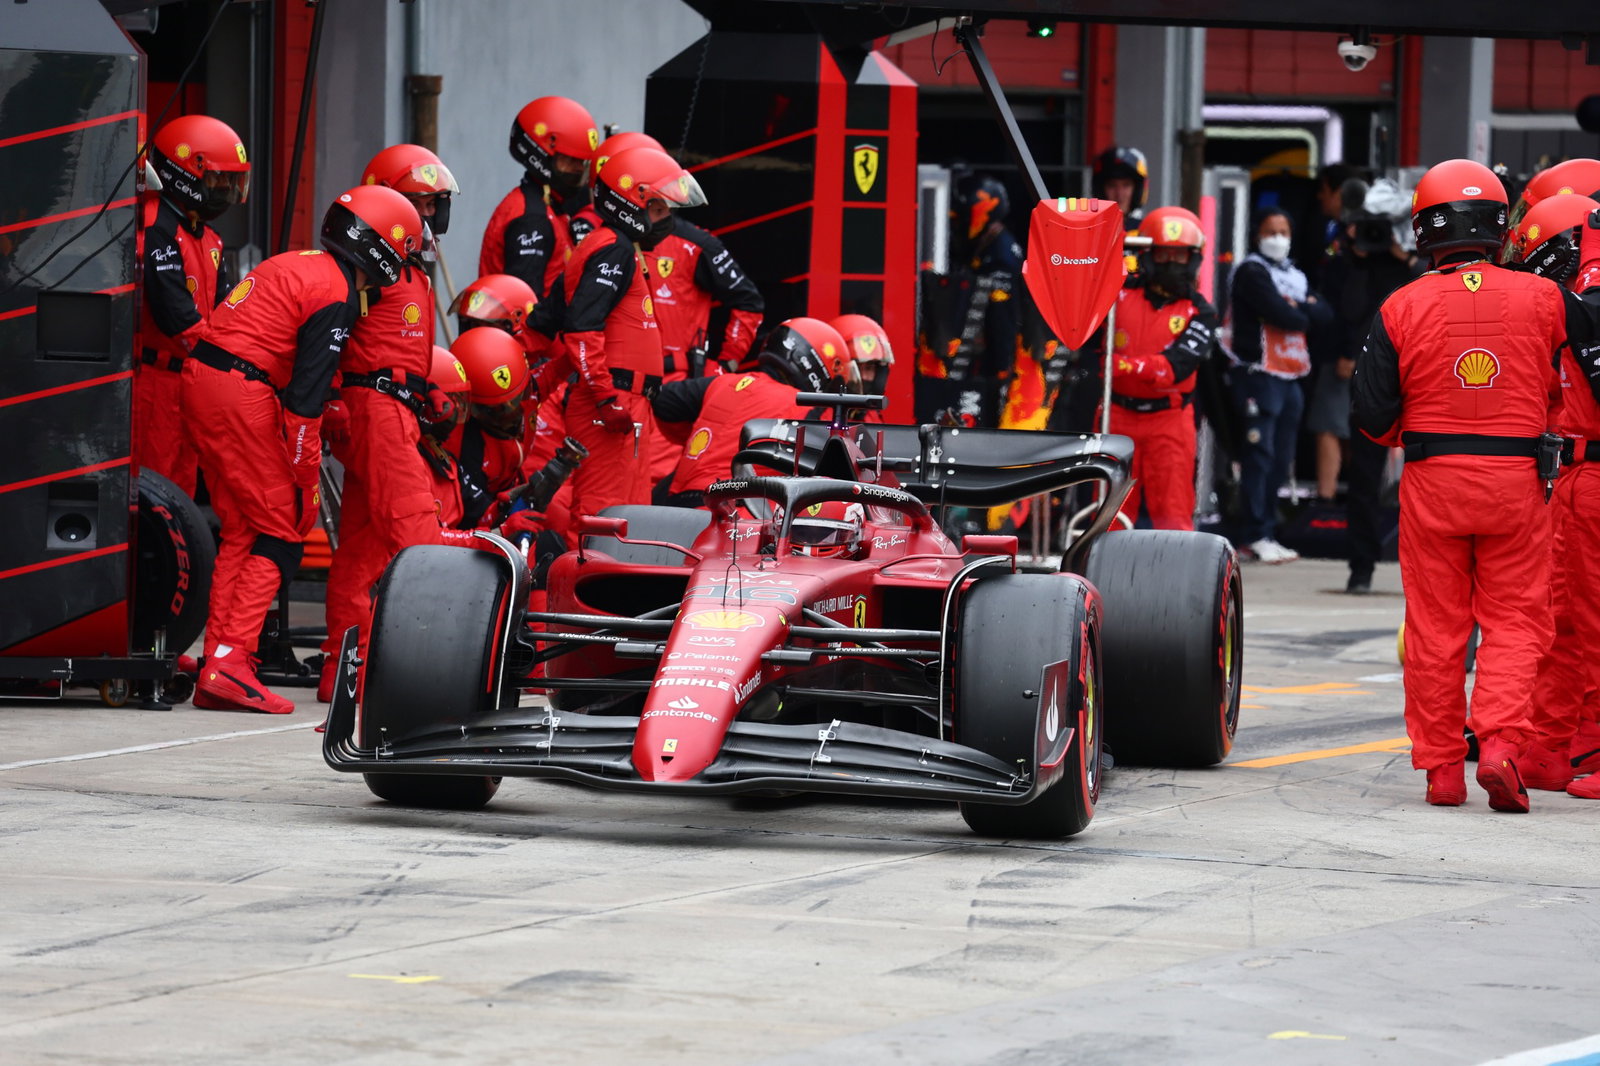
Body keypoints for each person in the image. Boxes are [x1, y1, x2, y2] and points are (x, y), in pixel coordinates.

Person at [1352, 158, 1566, 812]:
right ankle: (1499, 744)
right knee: (1515, 621)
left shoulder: (1400, 305)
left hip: (1432, 480)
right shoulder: (1546, 299)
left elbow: (1370, 416)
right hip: (1518, 482)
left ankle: (1442, 769)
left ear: (1424, 230)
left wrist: (1415, 438)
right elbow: (1569, 384)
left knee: (1435, 628)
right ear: (1500, 227)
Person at [182, 186, 423, 714]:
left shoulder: (301, 263)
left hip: (205, 380)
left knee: (245, 528)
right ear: (384, 249)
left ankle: (217, 659)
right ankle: (232, 660)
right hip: (243, 390)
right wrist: (305, 475)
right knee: (285, 531)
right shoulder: (336, 293)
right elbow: (304, 403)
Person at [317, 144, 461, 703]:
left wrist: (425, 396)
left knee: (362, 545)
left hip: (393, 406)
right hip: (375, 409)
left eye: (432, 204)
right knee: (417, 537)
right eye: (418, 203)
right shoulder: (368, 265)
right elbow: (331, 336)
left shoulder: (406, 269)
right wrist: (333, 401)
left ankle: (342, 669)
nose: (427, 215)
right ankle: (432, 667)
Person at [524, 145, 706, 522]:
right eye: (658, 209)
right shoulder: (614, 250)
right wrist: (606, 398)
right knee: (601, 515)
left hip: (625, 404)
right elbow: (580, 327)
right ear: (632, 204)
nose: (666, 219)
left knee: (630, 516)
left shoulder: (613, 247)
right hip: (610, 404)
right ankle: (581, 583)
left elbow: (550, 317)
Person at [1502, 193, 1600, 794]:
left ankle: (1589, 741)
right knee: (1560, 617)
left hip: (1590, 472)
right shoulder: (1575, 307)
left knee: (1588, 618)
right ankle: (1554, 742)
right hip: (1570, 474)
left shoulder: (1589, 302)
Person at [136, 113, 251, 498]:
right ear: (184, 171)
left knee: (180, 496)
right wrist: (238, 364)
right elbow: (177, 319)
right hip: (154, 384)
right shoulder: (155, 227)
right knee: (152, 495)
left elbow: (229, 314)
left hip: (191, 382)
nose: (224, 189)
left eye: (230, 181)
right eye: (218, 178)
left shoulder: (209, 237)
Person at [1318, 179, 1423, 593]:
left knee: (1426, 473)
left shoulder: (1413, 263)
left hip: (1416, 374)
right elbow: (1340, 311)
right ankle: (1360, 566)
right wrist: (1354, 256)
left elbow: (1431, 288)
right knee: (1364, 476)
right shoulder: (1347, 261)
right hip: (1372, 375)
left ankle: (1421, 565)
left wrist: (1404, 256)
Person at [1094, 206, 1216, 530]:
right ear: (1148, 255)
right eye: (1164, 255)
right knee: (1109, 518)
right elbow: (1087, 345)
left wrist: (1124, 366)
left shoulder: (1201, 312)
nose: (1172, 265)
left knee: (1174, 517)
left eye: (1180, 256)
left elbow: (1176, 368)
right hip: (1117, 417)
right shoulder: (1115, 293)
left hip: (1170, 421)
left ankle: (1177, 580)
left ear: (1193, 259)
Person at [653, 317, 855, 503]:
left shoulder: (722, 383)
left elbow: (662, 402)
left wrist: (703, 435)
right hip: (734, 516)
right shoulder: (808, 411)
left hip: (676, 506)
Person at [1228, 206, 1332, 562]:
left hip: (1290, 375)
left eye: (1284, 231)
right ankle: (1252, 534)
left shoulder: (1296, 276)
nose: (1278, 238)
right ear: (1258, 235)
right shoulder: (1251, 272)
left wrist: (1298, 307)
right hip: (1259, 374)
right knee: (1259, 456)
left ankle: (1269, 531)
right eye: (1271, 231)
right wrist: (1301, 310)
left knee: (1281, 457)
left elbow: (1323, 316)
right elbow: (1282, 314)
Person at [915, 174, 1023, 428]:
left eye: (961, 216)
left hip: (994, 372)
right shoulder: (985, 247)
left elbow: (1003, 323)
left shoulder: (1001, 255)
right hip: (976, 365)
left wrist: (1000, 373)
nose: (957, 224)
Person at [479, 96, 600, 301]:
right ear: (541, 153)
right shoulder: (533, 219)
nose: (578, 170)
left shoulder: (548, 207)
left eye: (582, 163)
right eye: (570, 161)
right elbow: (523, 306)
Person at [449, 324, 531, 528]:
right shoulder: (463, 445)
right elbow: (476, 515)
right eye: (496, 410)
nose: (510, 415)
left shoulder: (533, 391)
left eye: (515, 401)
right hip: (489, 519)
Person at [449, 272, 538, 349]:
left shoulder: (540, 367)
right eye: (475, 325)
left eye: (490, 327)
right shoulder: (457, 365)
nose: (479, 335)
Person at [832, 313, 895, 419]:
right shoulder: (817, 417)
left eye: (869, 368)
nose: (864, 376)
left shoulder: (871, 417)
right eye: (855, 367)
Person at [1092, 146, 1149, 232]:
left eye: (1126, 185)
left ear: (1137, 190)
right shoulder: (1088, 230)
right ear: (1100, 190)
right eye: (1112, 185)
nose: (1119, 193)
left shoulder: (1146, 232)